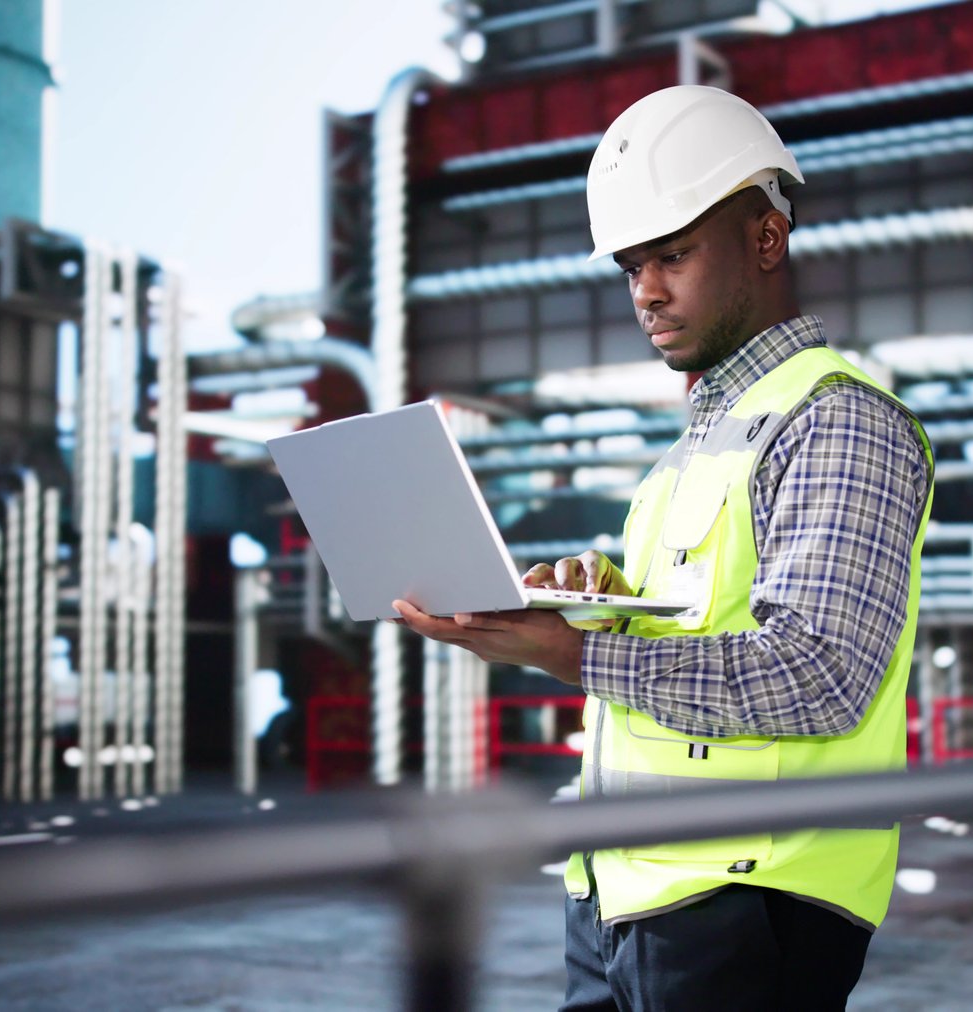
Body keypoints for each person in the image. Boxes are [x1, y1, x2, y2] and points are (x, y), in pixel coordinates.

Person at [392, 85, 934, 1011]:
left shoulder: (837, 418)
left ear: (766, 239)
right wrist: (596, 599)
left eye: (672, 254)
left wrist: (572, 652)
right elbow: (690, 623)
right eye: (631, 266)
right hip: (627, 883)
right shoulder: (692, 449)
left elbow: (823, 674)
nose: (645, 288)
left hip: (750, 892)